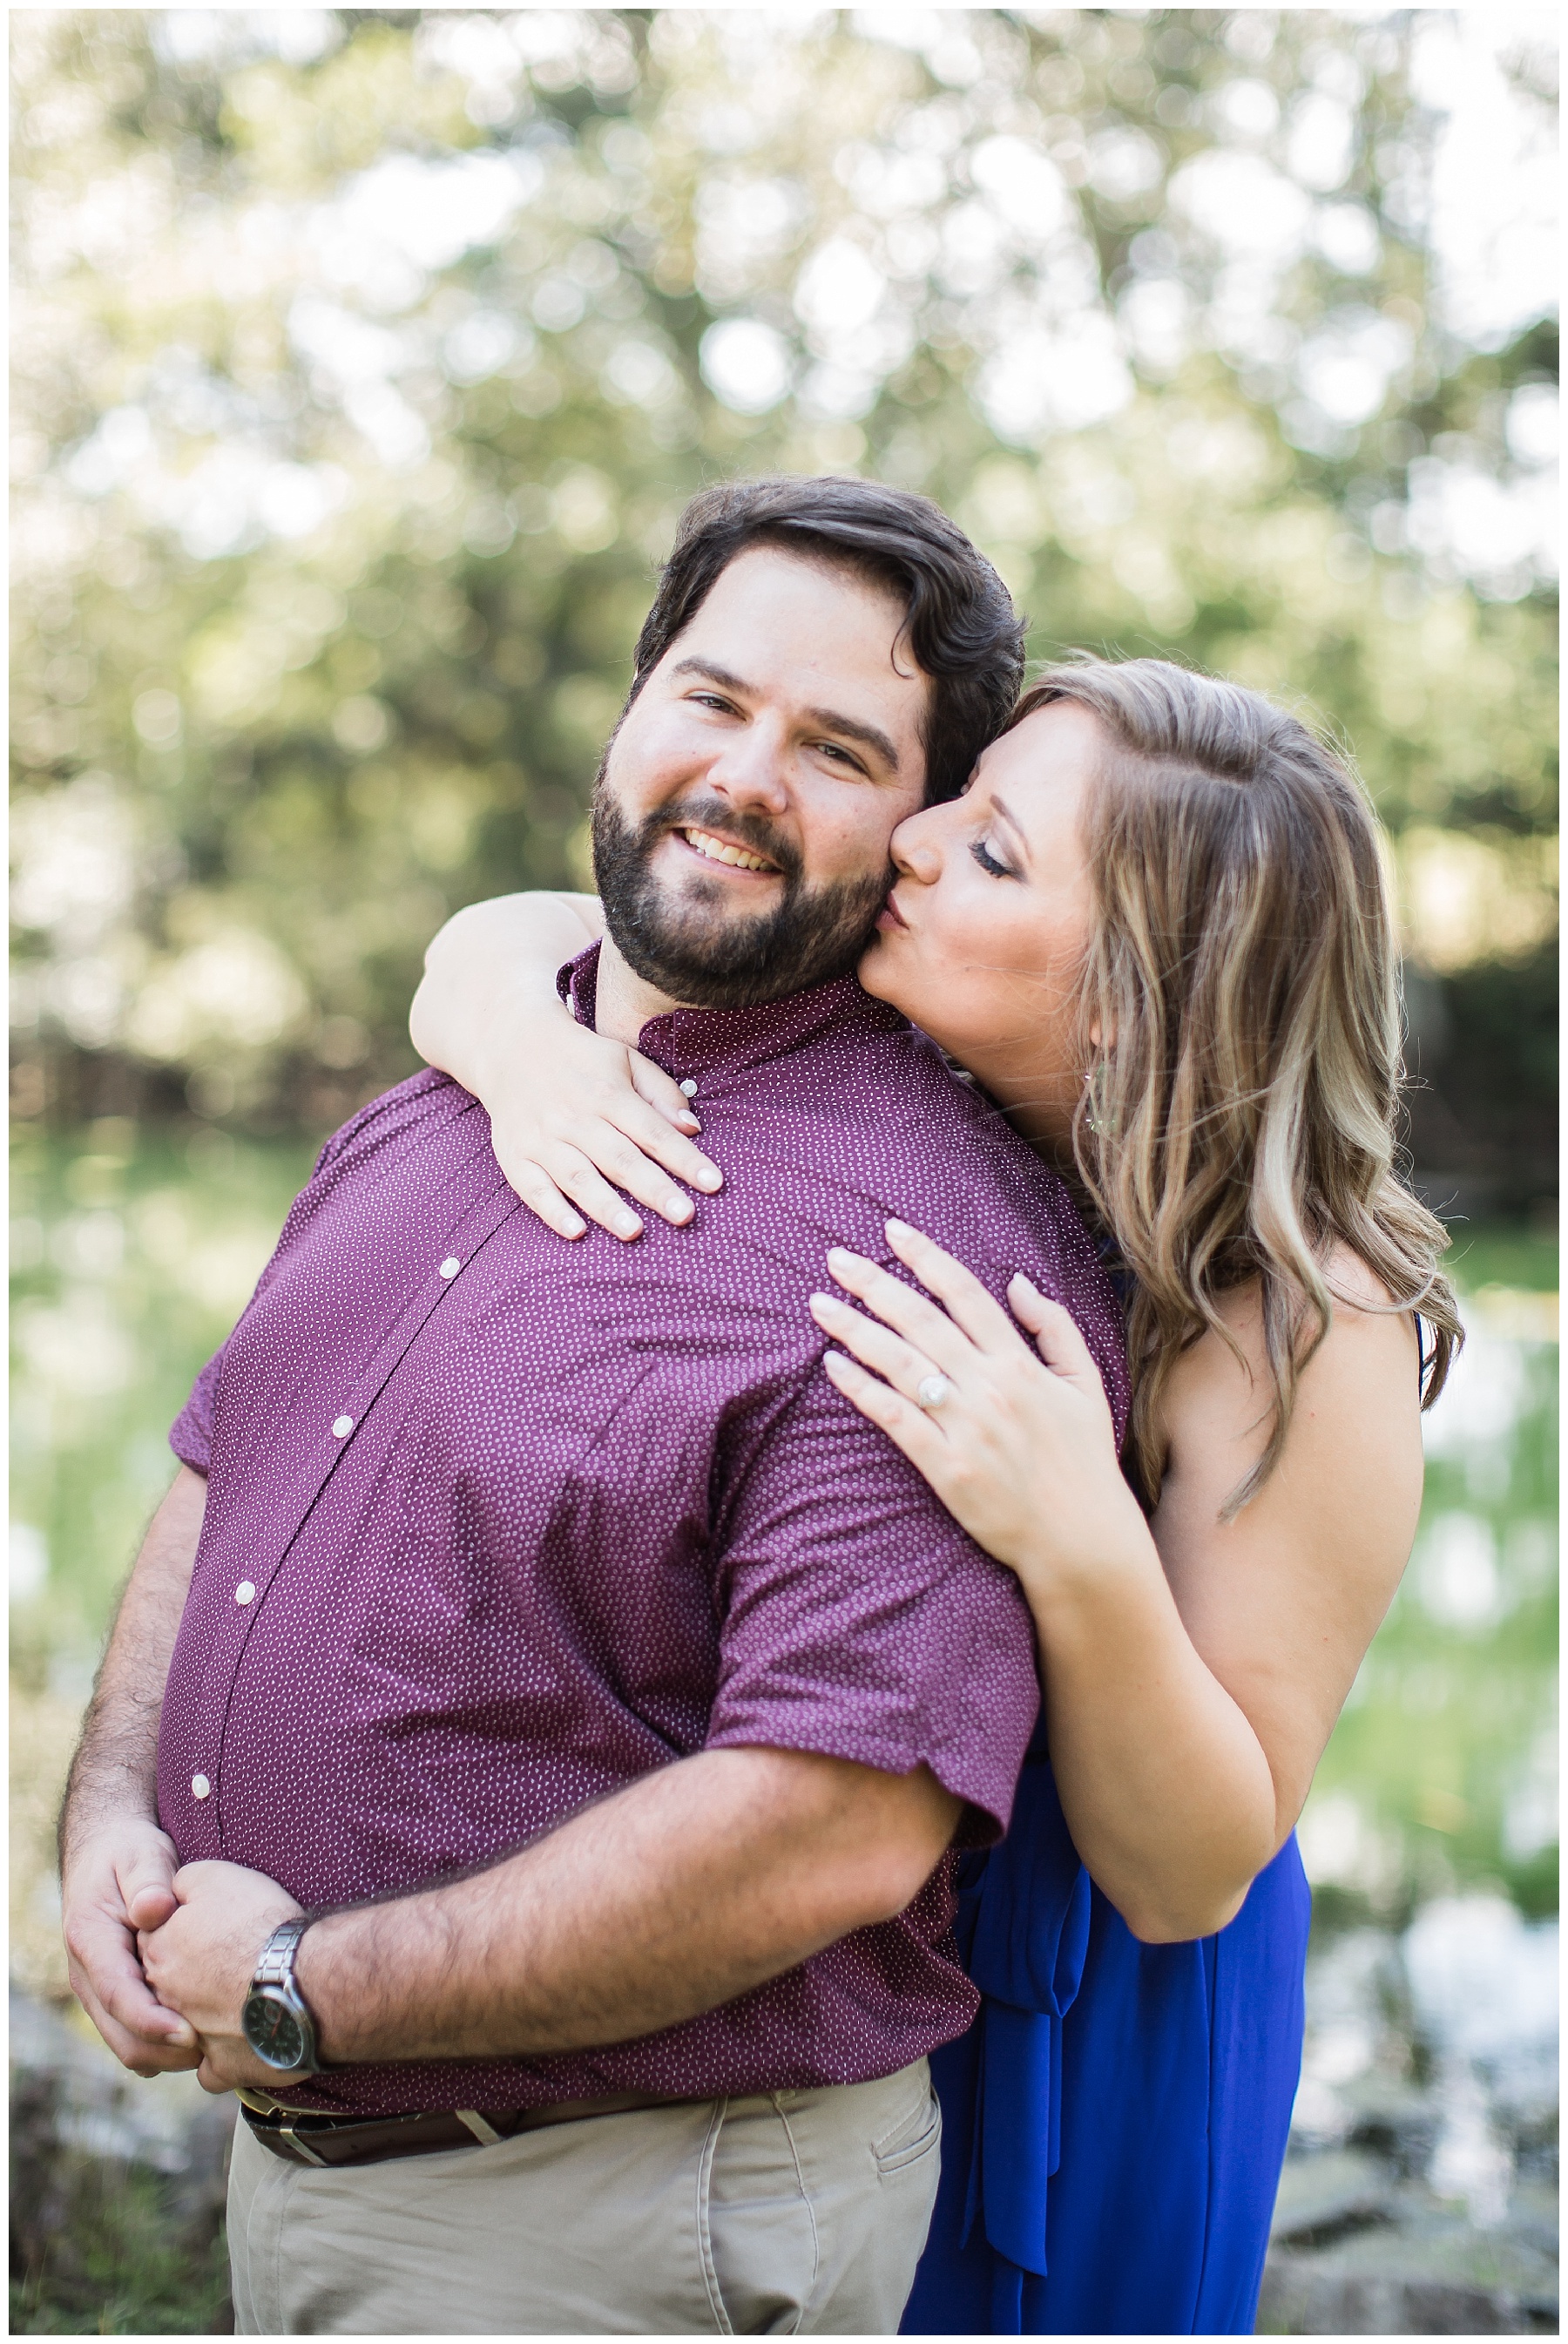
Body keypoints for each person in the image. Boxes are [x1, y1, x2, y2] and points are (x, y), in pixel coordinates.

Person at [58, 476, 1135, 2337]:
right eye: (711, 698)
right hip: (324, 2171)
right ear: (635, 703)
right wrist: (103, 1819)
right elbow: (227, 1464)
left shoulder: (923, 1244)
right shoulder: (442, 1088)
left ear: (916, 827)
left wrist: (316, 1979)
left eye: (837, 746)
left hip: (615, 2215)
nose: (743, 773)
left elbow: (832, 1824)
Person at [410, 649, 1462, 2334]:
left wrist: (1072, 1528)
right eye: (959, 797)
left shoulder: (1293, 1309)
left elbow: (1193, 1866)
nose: (911, 839)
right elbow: (515, 930)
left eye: (991, 851)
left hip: (1092, 1999)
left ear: (1126, 992)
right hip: (821, 1944)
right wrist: (517, 1053)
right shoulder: (908, 1080)